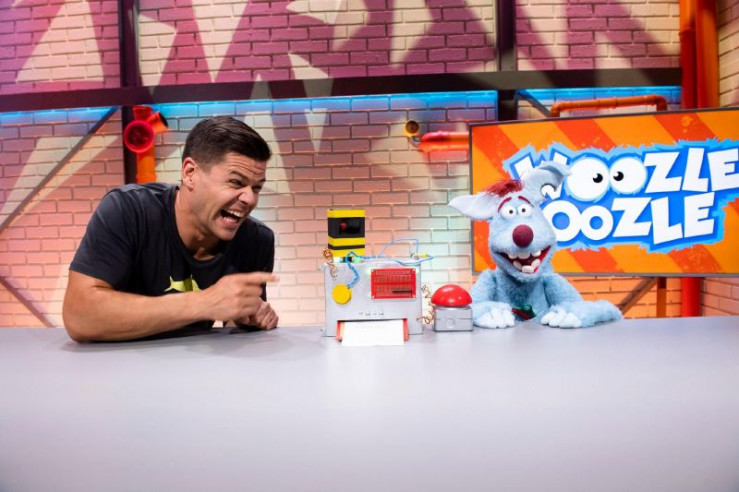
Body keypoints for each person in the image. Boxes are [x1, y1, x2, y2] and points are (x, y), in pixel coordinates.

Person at [63, 116, 279, 342]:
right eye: (236, 182)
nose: (249, 199)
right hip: (120, 361)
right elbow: (80, 317)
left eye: (256, 188)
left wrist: (249, 319)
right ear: (190, 173)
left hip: (198, 362)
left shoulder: (257, 240)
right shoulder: (127, 210)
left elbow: (231, 330)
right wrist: (203, 303)